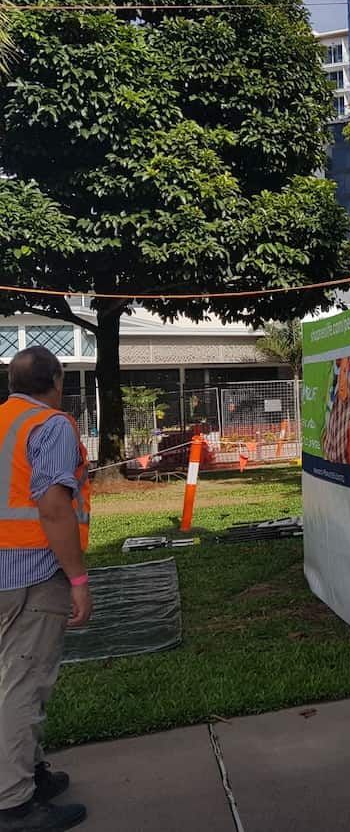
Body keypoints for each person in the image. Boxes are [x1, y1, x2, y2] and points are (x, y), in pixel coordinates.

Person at [0, 347, 91, 831]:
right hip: (31, 573)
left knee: (11, 677)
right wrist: (78, 580)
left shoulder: (3, 422)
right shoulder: (51, 425)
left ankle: (27, 774)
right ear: (56, 381)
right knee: (24, 684)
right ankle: (13, 803)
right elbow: (54, 508)